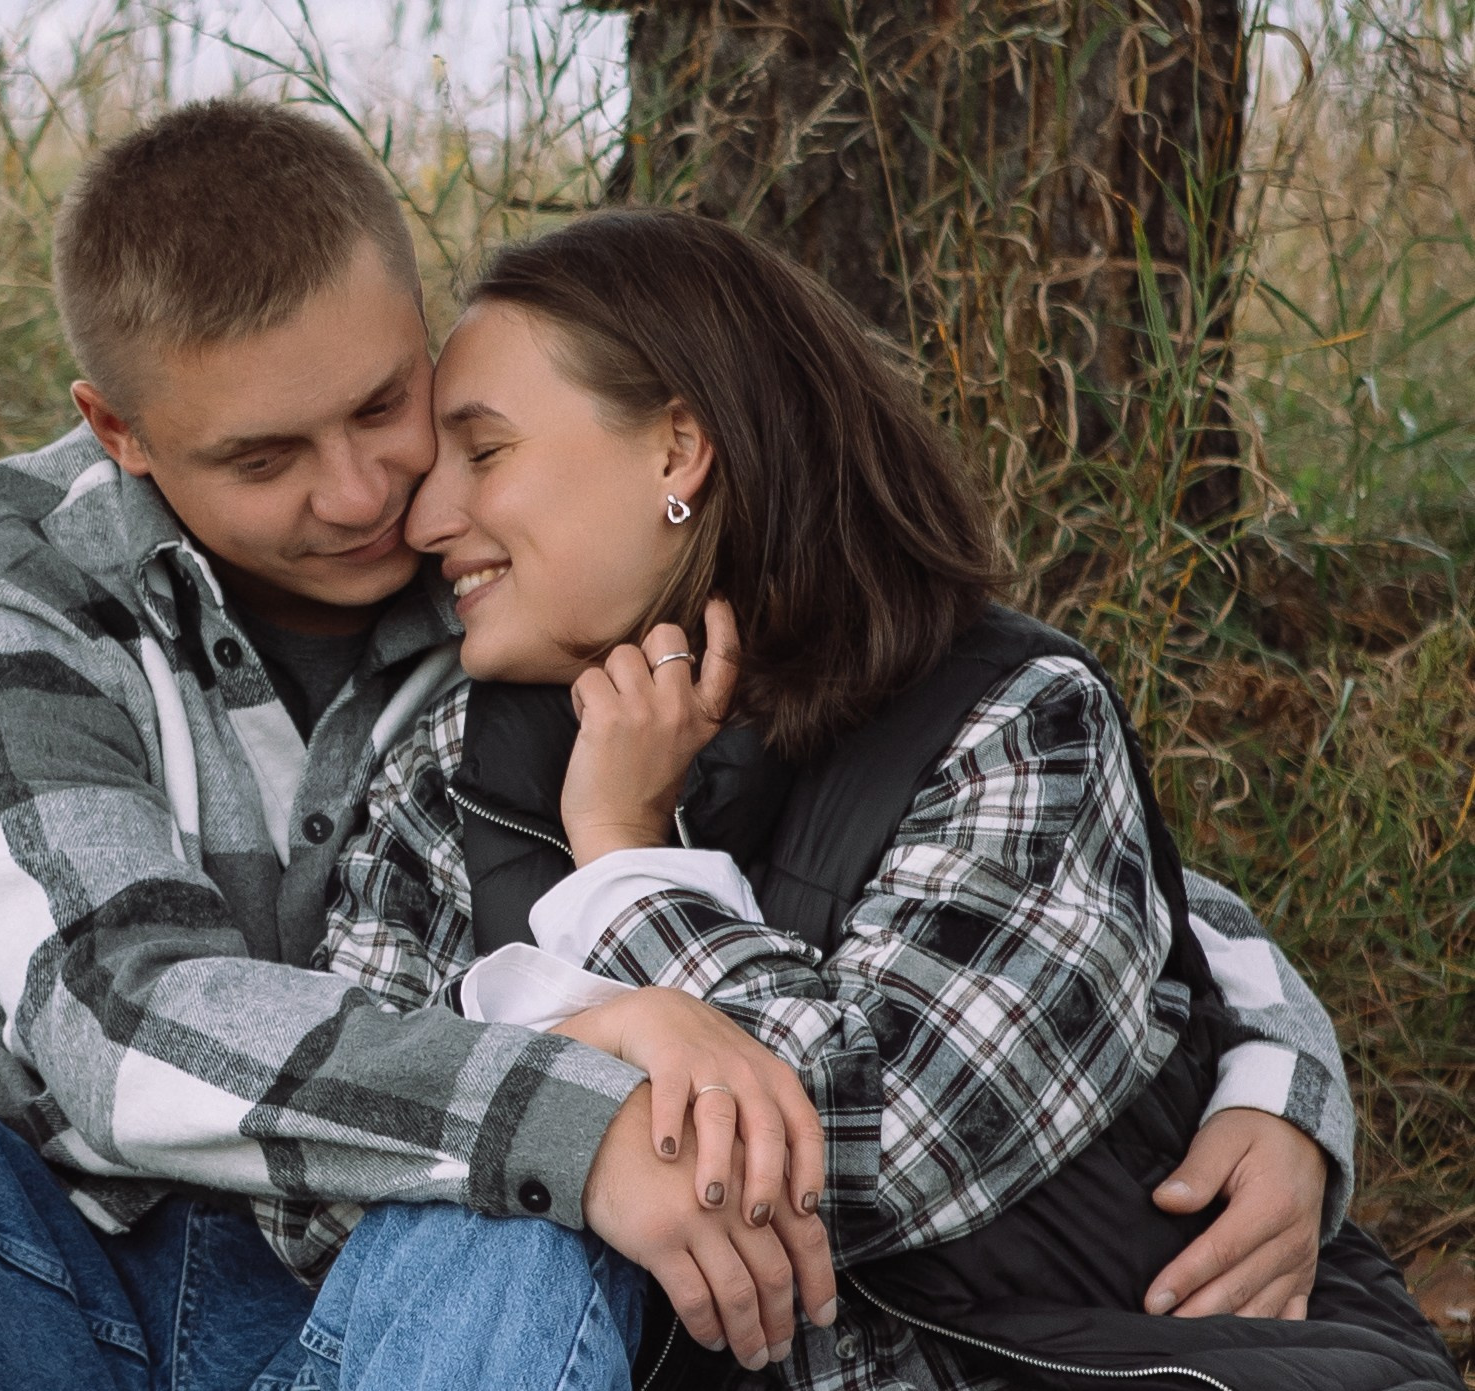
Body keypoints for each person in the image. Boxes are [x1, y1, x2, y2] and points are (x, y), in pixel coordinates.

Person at [0, 100, 1358, 1390]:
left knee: (508, 1223)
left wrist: (1273, 1067)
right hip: (46, 1271)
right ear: (122, 430)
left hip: (402, 1297)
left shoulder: (523, 567)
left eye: (392, 410)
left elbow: (1010, 847)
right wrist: (594, 1080)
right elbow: (110, 1019)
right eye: (262, 458)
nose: (368, 498)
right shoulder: (19, 584)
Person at [313, 206, 1455, 1389]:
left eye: (484, 451)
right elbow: (324, 1180)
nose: (423, 516)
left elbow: (869, 1144)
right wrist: (595, 1031)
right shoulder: (448, 758)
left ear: (676, 448)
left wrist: (618, 865)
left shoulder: (1014, 718)